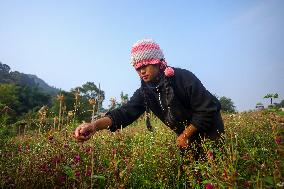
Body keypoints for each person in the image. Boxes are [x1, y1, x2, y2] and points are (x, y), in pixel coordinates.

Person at [74, 39, 224, 153]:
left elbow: (207, 109)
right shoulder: (145, 92)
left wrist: (185, 135)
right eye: (138, 68)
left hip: (211, 134)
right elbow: (123, 113)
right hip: (186, 139)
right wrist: (94, 126)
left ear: (158, 63)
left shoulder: (183, 78)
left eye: (145, 66)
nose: (141, 72)